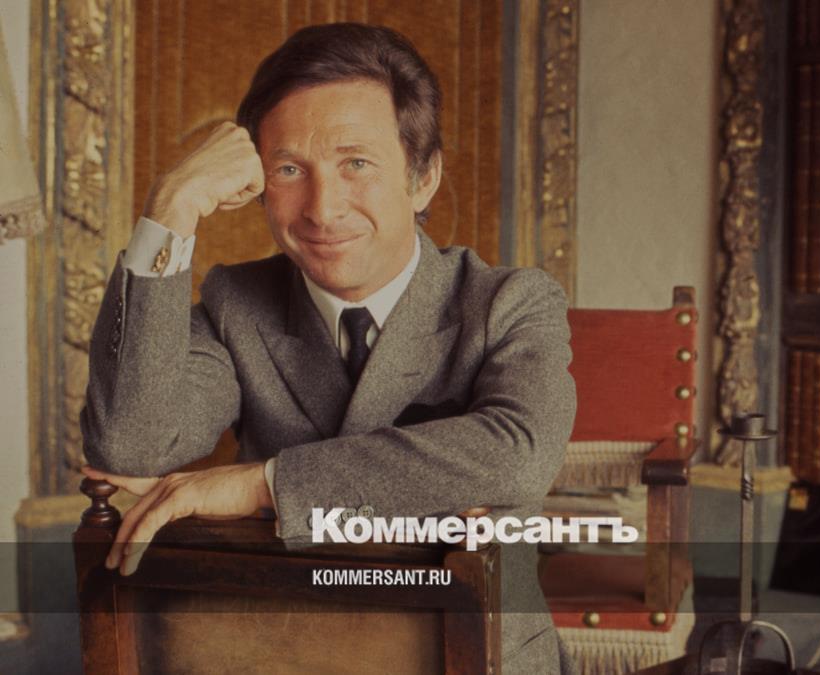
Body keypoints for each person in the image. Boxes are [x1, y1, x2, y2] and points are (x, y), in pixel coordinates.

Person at [80, 23, 575, 673]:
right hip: (288, 653)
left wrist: (264, 485)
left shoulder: (512, 302)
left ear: (423, 178)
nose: (321, 208)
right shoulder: (236, 305)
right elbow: (128, 446)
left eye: (356, 164)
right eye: (289, 169)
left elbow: (516, 455)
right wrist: (170, 208)